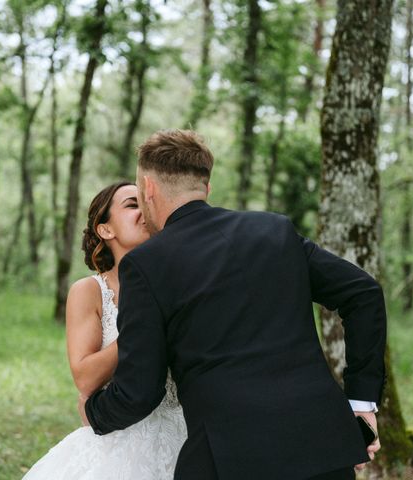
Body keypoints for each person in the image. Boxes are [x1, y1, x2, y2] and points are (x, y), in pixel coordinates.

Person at [83, 130, 386, 480]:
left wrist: (95, 412)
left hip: (230, 459)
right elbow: (363, 293)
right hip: (323, 446)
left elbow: (140, 391)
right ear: (206, 188)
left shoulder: (147, 264)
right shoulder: (275, 231)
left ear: (148, 189)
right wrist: (362, 402)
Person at [23, 181, 187, 480]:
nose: (144, 211)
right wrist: (142, 328)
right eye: (131, 205)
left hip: (185, 438)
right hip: (120, 442)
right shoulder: (90, 291)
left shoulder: (181, 282)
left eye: (146, 204)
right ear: (105, 230)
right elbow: (85, 378)